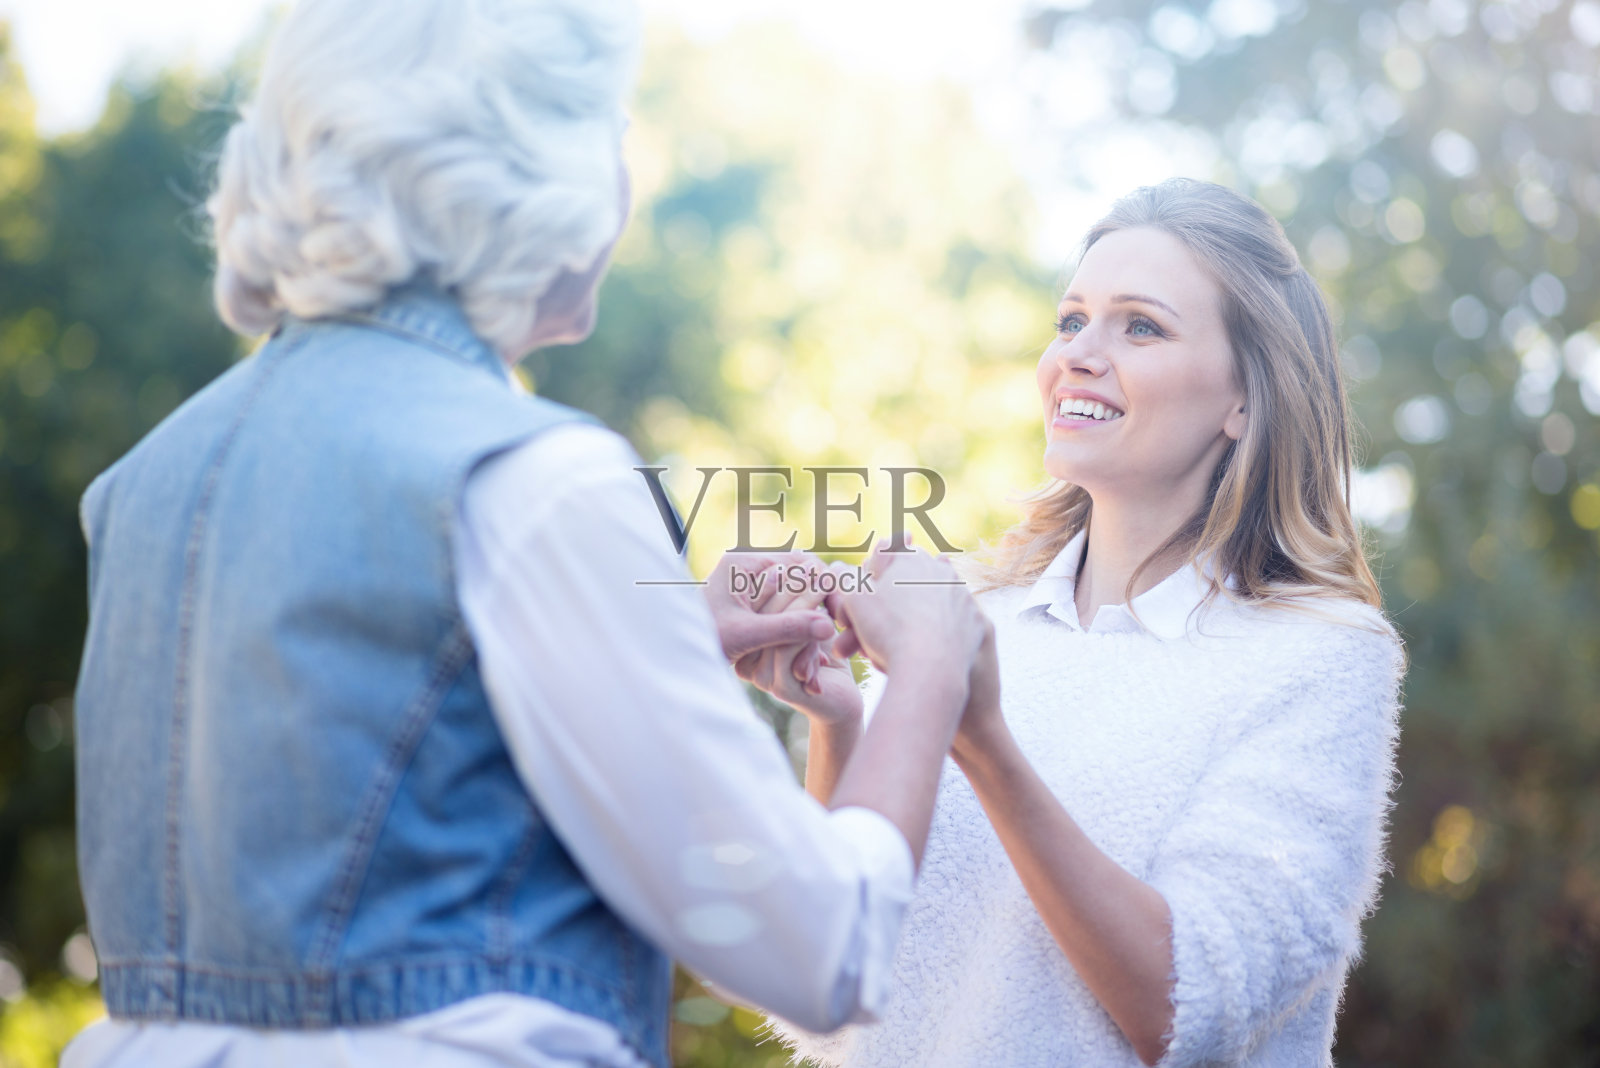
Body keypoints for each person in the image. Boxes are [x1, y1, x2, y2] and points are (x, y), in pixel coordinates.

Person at [61, 2, 992, 1067]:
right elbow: (819, 950)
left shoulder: (141, 485)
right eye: (608, 131)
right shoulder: (532, 477)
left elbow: (362, 780)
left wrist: (667, 642)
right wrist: (926, 670)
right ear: (536, 172)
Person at [736, 178, 1406, 1067]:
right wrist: (838, 722)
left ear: (1245, 396)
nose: (1078, 356)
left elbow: (1186, 1011)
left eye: (1141, 326)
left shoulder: (1318, 658)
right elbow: (829, 996)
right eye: (1070, 321)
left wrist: (980, 737)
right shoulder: (974, 616)